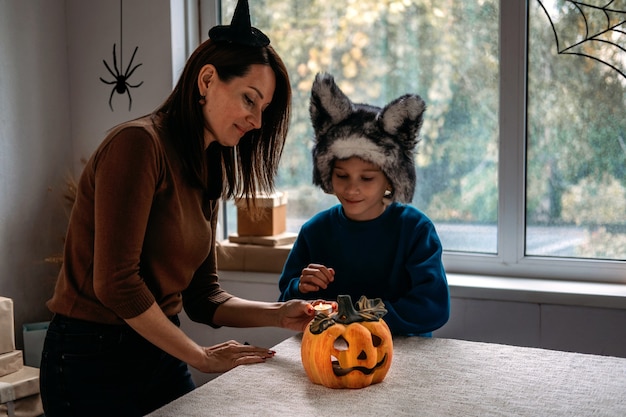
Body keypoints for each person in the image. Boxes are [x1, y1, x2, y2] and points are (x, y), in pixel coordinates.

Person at [39, 2, 320, 416]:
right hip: (91, 359)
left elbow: (203, 297)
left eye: (263, 110)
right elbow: (116, 284)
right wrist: (201, 357)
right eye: (250, 100)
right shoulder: (137, 145)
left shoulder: (207, 167)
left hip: (160, 349)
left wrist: (281, 315)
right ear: (207, 80)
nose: (257, 121)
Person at [278, 72, 450, 337]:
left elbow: (433, 307)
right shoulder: (315, 231)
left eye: (367, 178)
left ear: (390, 180)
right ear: (327, 175)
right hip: (330, 348)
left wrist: (359, 317)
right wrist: (300, 288)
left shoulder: (415, 230)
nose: (352, 188)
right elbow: (285, 301)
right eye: (341, 175)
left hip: (405, 353)